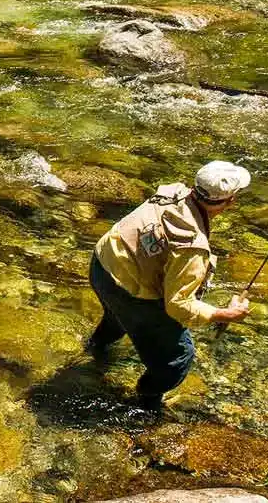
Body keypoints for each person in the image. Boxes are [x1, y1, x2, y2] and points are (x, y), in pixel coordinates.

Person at [85, 160, 253, 411]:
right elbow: (178, 306)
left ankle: (93, 351)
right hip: (129, 291)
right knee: (177, 359)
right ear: (230, 201)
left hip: (102, 266)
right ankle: (144, 405)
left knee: (116, 317)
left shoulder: (172, 192)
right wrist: (223, 314)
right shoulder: (192, 249)